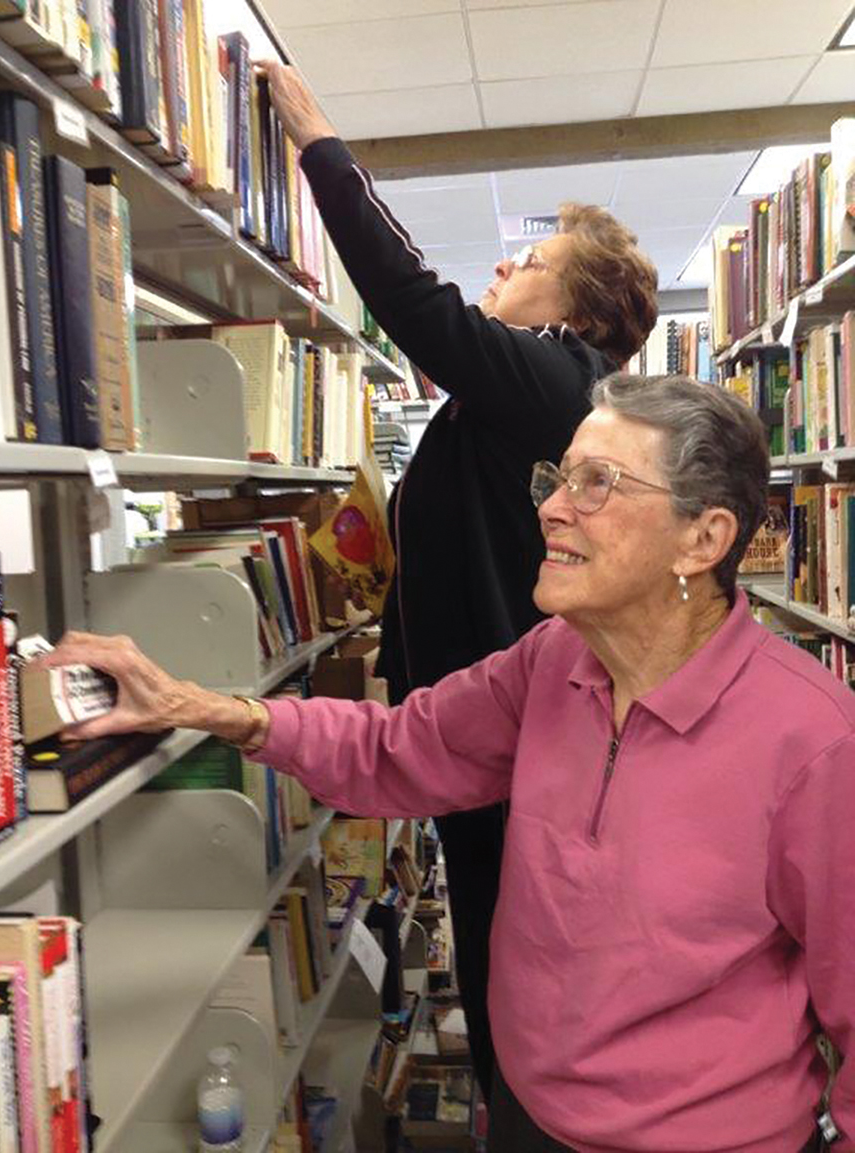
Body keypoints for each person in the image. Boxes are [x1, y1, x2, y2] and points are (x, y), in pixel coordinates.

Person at [50, 374, 852, 1153]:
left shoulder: (813, 742)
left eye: (597, 483)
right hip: (527, 1116)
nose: (549, 507)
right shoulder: (552, 660)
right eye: (558, 476)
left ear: (701, 538)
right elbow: (399, 749)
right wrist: (204, 707)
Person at [255, 61, 659, 1098]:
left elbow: (414, 302)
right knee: (498, 941)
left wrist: (318, 146)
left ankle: (528, 1109)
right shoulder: (531, 391)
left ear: (576, 308)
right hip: (481, 722)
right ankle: (518, 1100)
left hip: (503, 736)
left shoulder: (559, 375)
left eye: (528, 259)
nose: (502, 267)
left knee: (509, 950)